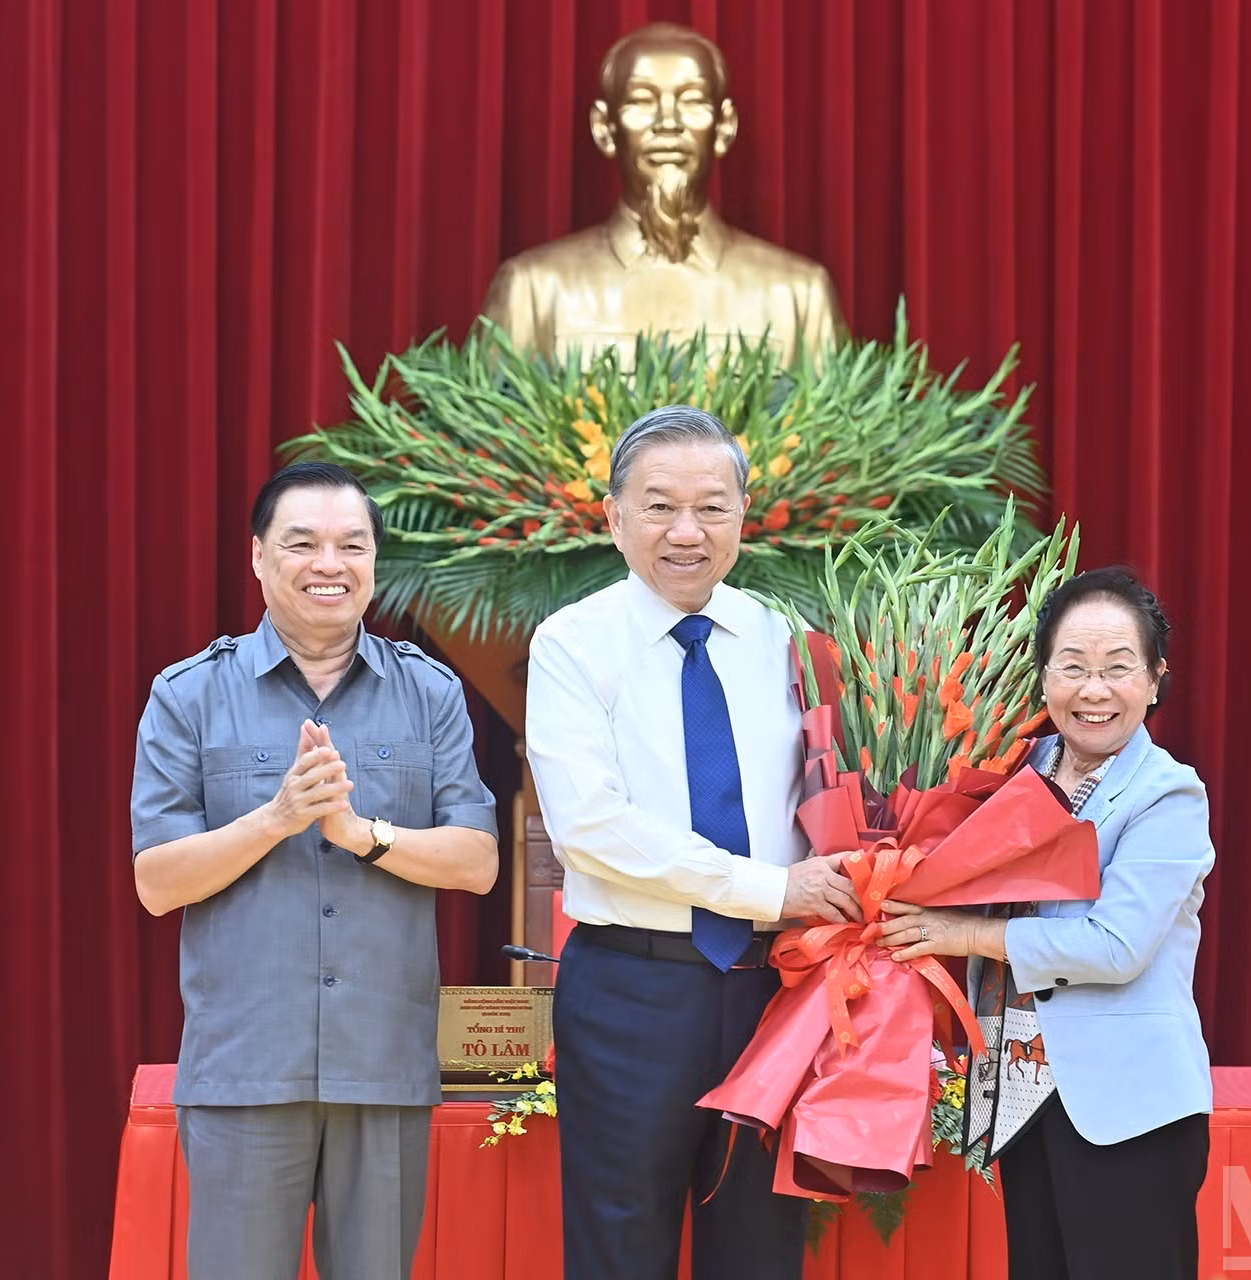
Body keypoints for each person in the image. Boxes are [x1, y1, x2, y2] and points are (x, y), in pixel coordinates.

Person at [129, 461, 499, 1280]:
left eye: (351, 545)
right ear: (258, 557)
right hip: (244, 1067)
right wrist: (277, 819)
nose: (329, 564)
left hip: (383, 1065)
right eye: (302, 544)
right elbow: (157, 882)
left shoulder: (429, 693)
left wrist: (362, 834)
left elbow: (477, 862)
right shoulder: (190, 694)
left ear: (375, 562)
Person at [525, 406, 861, 1280]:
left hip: (772, 990)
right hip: (631, 990)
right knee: (619, 1248)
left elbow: (830, 792)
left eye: (712, 507)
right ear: (614, 517)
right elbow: (590, 829)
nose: (687, 532)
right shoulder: (572, 644)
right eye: (660, 507)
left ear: (744, 517)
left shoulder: (787, 641)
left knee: (760, 1251)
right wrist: (770, 890)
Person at [870, 567, 1216, 1280]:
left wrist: (961, 934)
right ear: (1044, 677)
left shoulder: (1168, 794)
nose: (1094, 690)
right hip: (1023, 1092)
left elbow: (1115, 947)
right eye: (1073, 666)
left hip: (1126, 1109)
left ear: (1155, 680)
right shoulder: (1011, 767)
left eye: (1118, 668)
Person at [481, 23, 846, 366]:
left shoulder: (799, 296)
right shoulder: (534, 291)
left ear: (724, 127)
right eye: (642, 101)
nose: (668, 123)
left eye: (693, 101)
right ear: (604, 129)